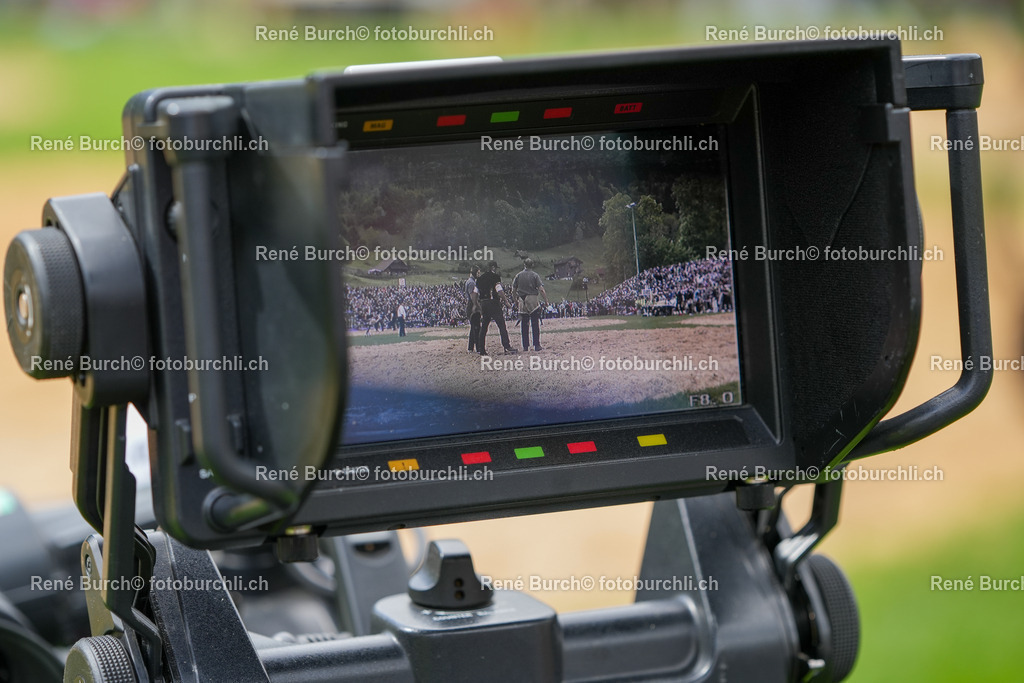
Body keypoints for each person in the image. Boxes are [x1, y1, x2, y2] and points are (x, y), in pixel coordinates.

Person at [475, 260, 517, 355]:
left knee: (484, 327)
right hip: (493, 302)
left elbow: (475, 293)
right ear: (493, 267)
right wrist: (506, 301)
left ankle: (481, 349)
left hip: (484, 303)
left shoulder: (480, 279)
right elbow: (499, 290)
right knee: (501, 325)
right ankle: (506, 346)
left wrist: (477, 304)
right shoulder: (495, 277)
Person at [512, 258, 548, 352]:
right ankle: (536, 345)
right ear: (532, 265)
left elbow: (513, 289)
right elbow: (541, 289)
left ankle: (525, 346)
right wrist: (546, 300)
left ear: (524, 265)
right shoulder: (535, 275)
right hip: (532, 298)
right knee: (535, 323)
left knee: (524, 324)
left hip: (522, 299)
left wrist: (515, 300)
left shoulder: (518, 275)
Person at [465, 265, 482, 353]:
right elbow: (473, 298)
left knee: (473, 327)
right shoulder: (472, 283)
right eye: (478, 272)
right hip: (472, 305)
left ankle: (470, 348)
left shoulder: (470, 281)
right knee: (476, 328)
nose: (479, 274)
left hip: (471, 305)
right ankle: (478, 348)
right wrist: (478, 307)